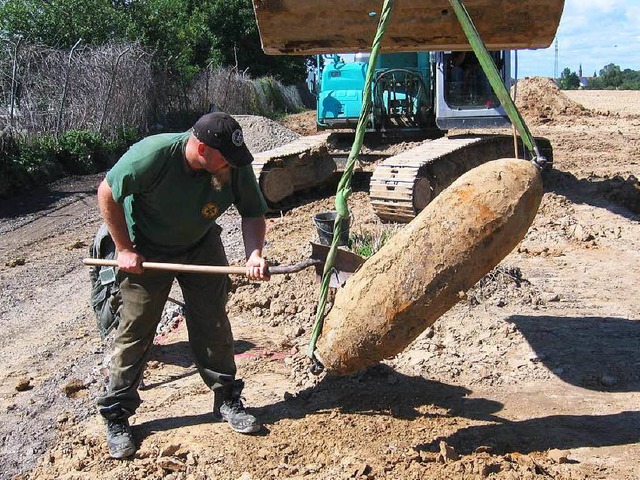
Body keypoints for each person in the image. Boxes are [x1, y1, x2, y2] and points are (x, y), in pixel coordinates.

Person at [95, 112, 270, 459]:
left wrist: (254, 255)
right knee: (136, 328)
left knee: (212, 320)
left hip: (200, 243)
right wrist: (125, 249)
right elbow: (107, 192)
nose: (232, 166)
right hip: (146, 248)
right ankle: (116, 414)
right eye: (225, 159)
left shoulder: (233, 163)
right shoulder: (152, 156)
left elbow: (252, 212)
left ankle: (227, 398)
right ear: (202, 149)